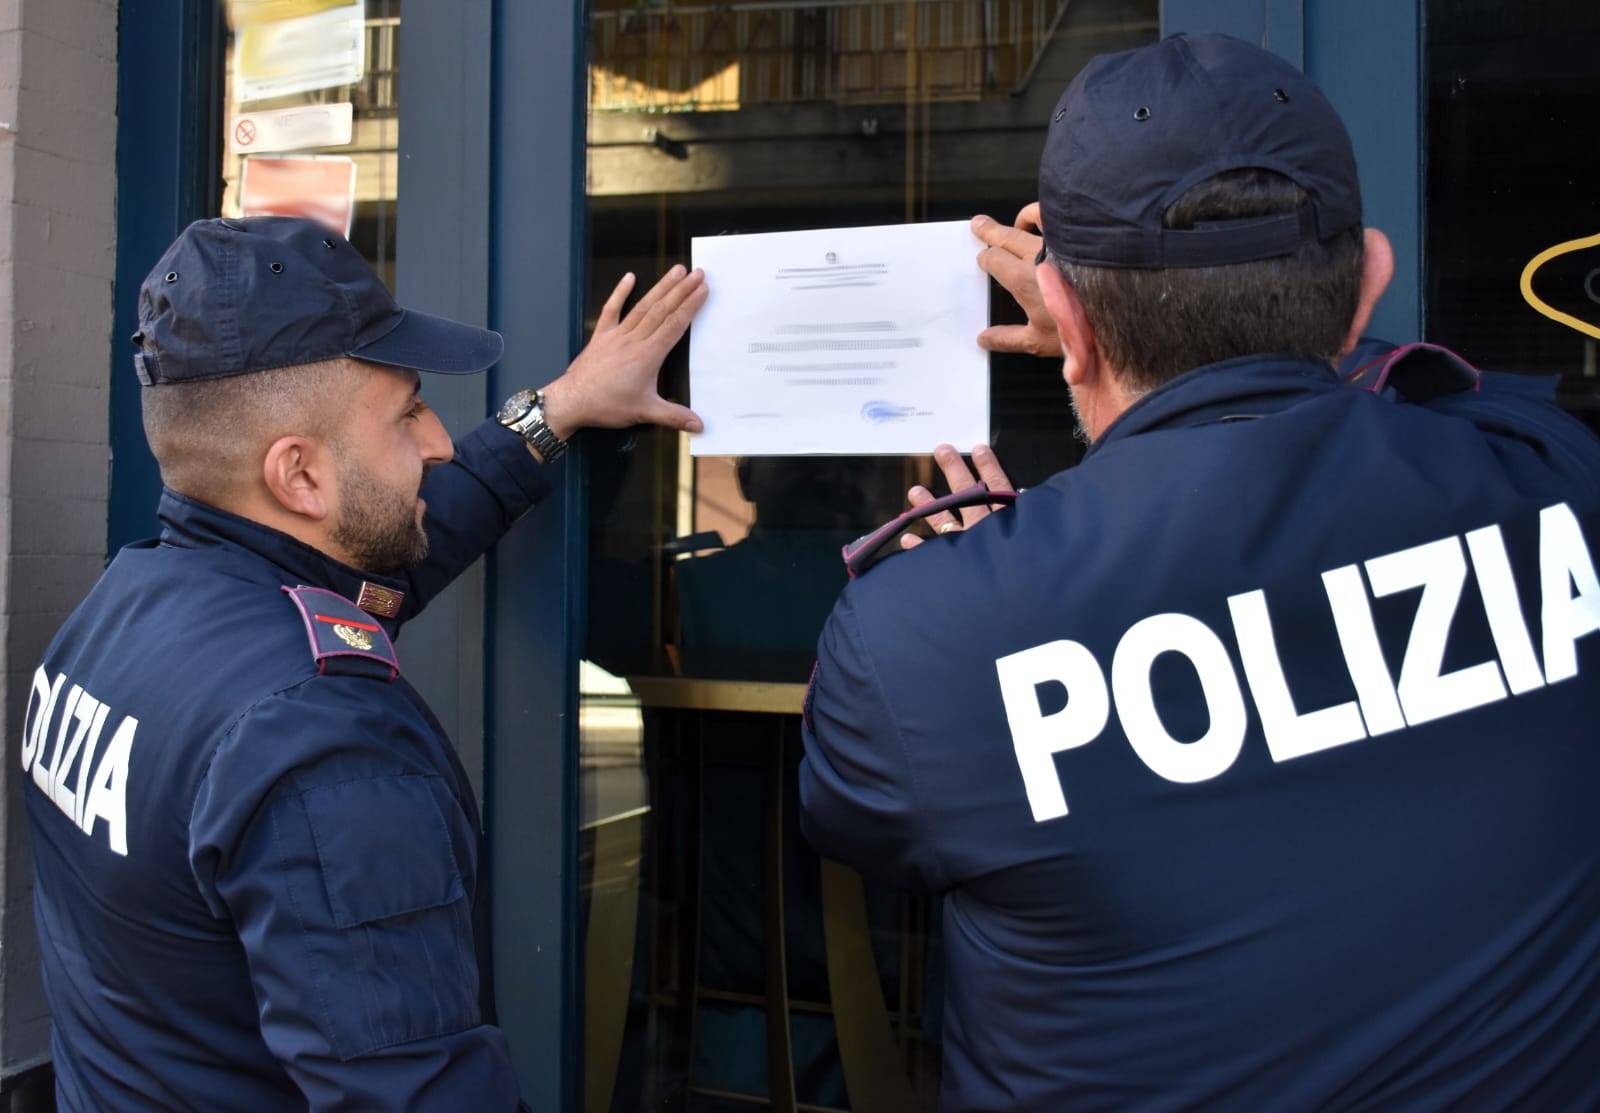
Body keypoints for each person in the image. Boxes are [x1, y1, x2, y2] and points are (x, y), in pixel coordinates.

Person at [799, 33, 1600, 1110]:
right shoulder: (1554, 481)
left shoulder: (927, 636)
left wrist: (1009, 572)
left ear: (1063, 319)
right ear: (1369, 281)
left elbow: (864, 824)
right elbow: (1456, 395)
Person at [21, 215, 706, 1110]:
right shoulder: (322, 741)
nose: (438, 441)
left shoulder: (119, 614)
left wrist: (560, 407)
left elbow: (380, 560)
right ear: (298, 477)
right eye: (407, 411)